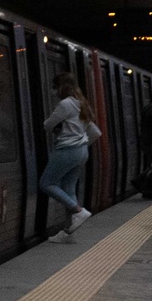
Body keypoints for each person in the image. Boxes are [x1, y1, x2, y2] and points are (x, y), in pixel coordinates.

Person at [39, 73, 94, 242]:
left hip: (68, 150)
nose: (54, 91)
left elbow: (47, 125)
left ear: (61, 86)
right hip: (82, 150)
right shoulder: (81, 103)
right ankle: (68, 233)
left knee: (46, 183)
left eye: (55, 87)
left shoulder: (65, 104)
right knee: (69, 188)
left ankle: (79, 211)